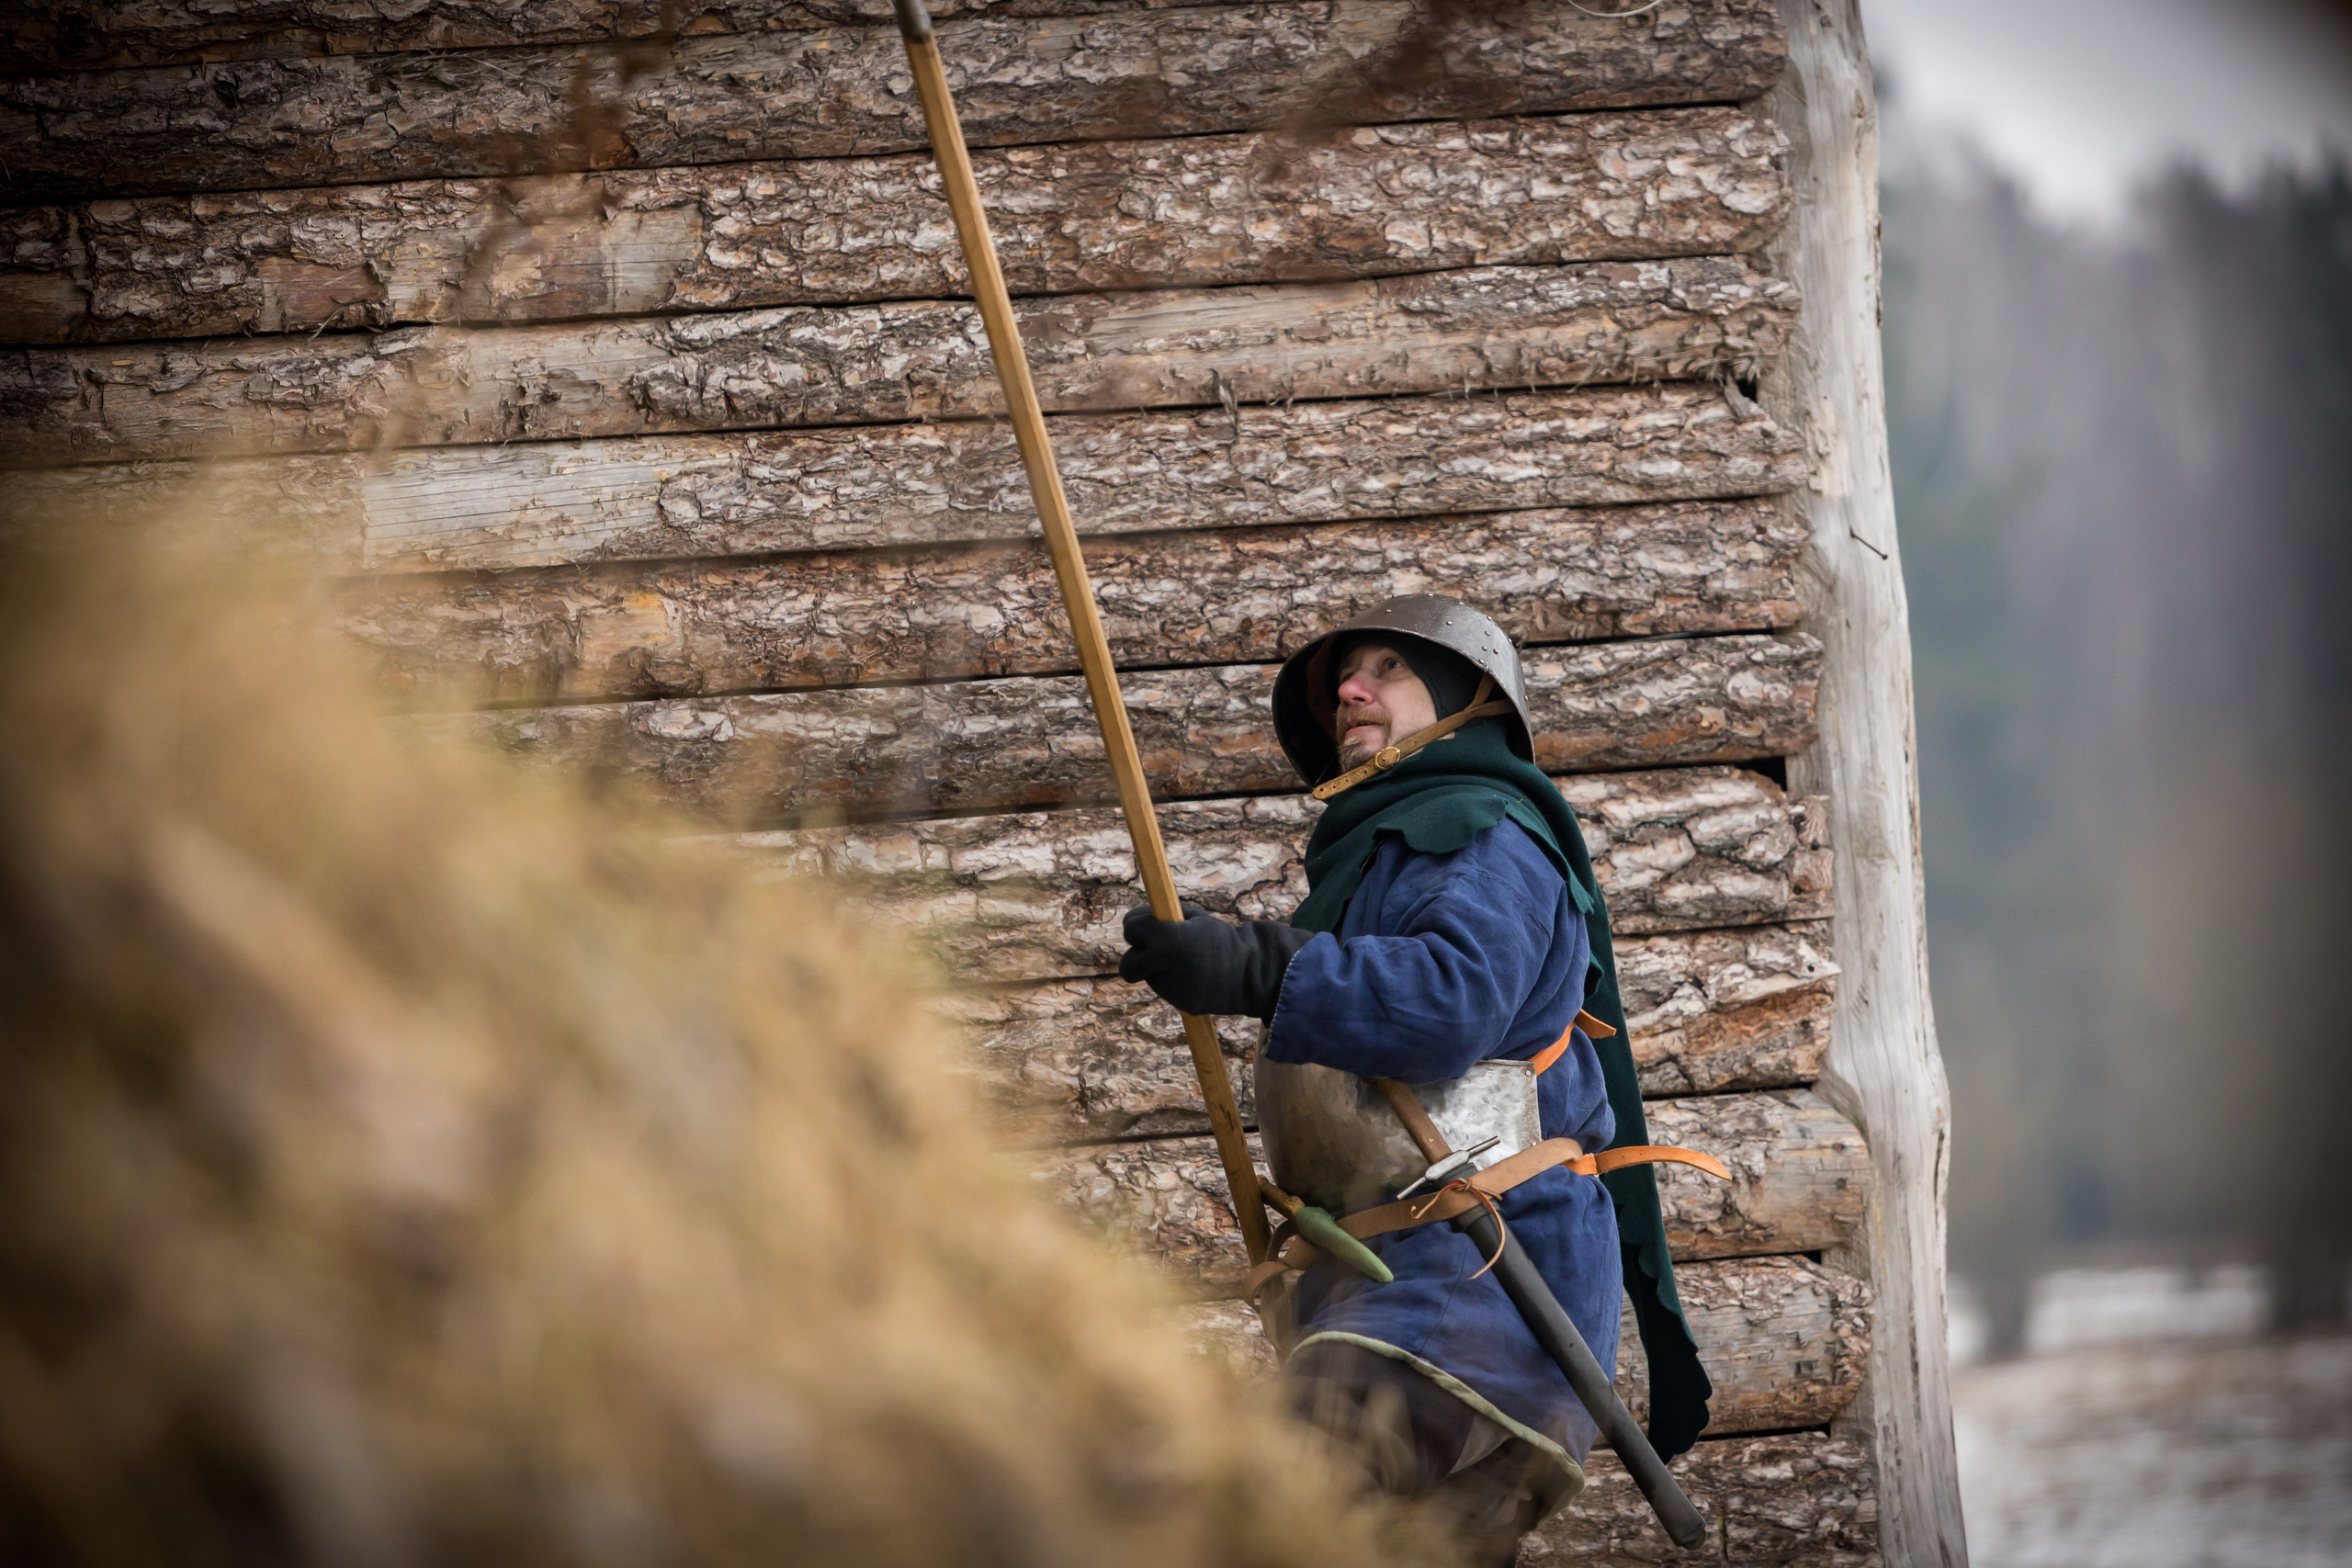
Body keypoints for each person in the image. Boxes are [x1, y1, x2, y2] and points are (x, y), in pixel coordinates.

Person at [1119, 596, 1712, 1563]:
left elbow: (1451, 1002)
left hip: (1462, 1306)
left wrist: (1257, 967)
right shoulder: (1399, 849)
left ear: (1467, 697)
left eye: (1388, 668)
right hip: (1451, 1326)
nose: (1351, 689)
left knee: (1241, 1521)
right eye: (1349, 676)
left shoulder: (1480, 832)